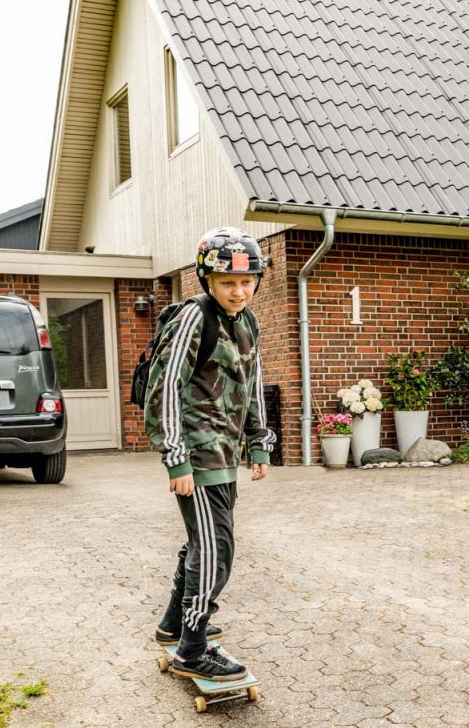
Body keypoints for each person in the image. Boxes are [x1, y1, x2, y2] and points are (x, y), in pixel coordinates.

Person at [144, 226, 276, 681]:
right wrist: (175, 457)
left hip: (224, 454)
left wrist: (259, 442)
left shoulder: (248, 322)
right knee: (216, 549)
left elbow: (252, 384)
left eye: (246, 281)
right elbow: (164, 388)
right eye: (227, 282)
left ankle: (172, 626)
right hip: (197, 455)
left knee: (204, 543)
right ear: (207, 280)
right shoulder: (193, 319)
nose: (238, 291)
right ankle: (193, 650)